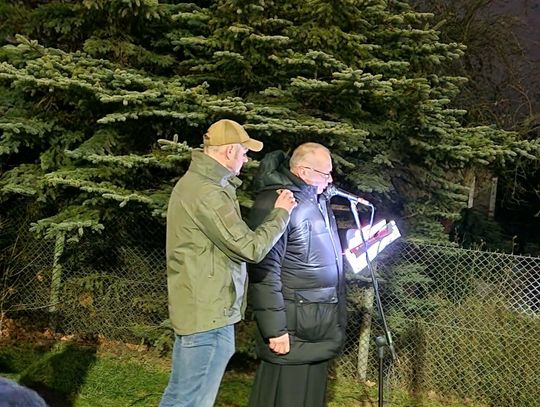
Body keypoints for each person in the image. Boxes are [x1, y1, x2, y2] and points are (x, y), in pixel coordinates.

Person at [159, 119, 297, 407]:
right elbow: (250, 248)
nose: (246, 160)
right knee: (191, 402)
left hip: (199, 310)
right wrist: (280, 214)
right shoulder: (208, 192)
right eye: (244, 153)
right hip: (209, 315)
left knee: (180, 398)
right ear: (229, 151)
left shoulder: (196, 184)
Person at [247, 143, 347, 407]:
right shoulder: (278, 202)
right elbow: (264, 270)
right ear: (303, 171)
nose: (330, 180)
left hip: (315, 326)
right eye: (325, 173)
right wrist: (275, 329)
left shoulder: (316, 201)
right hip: (291, 331)